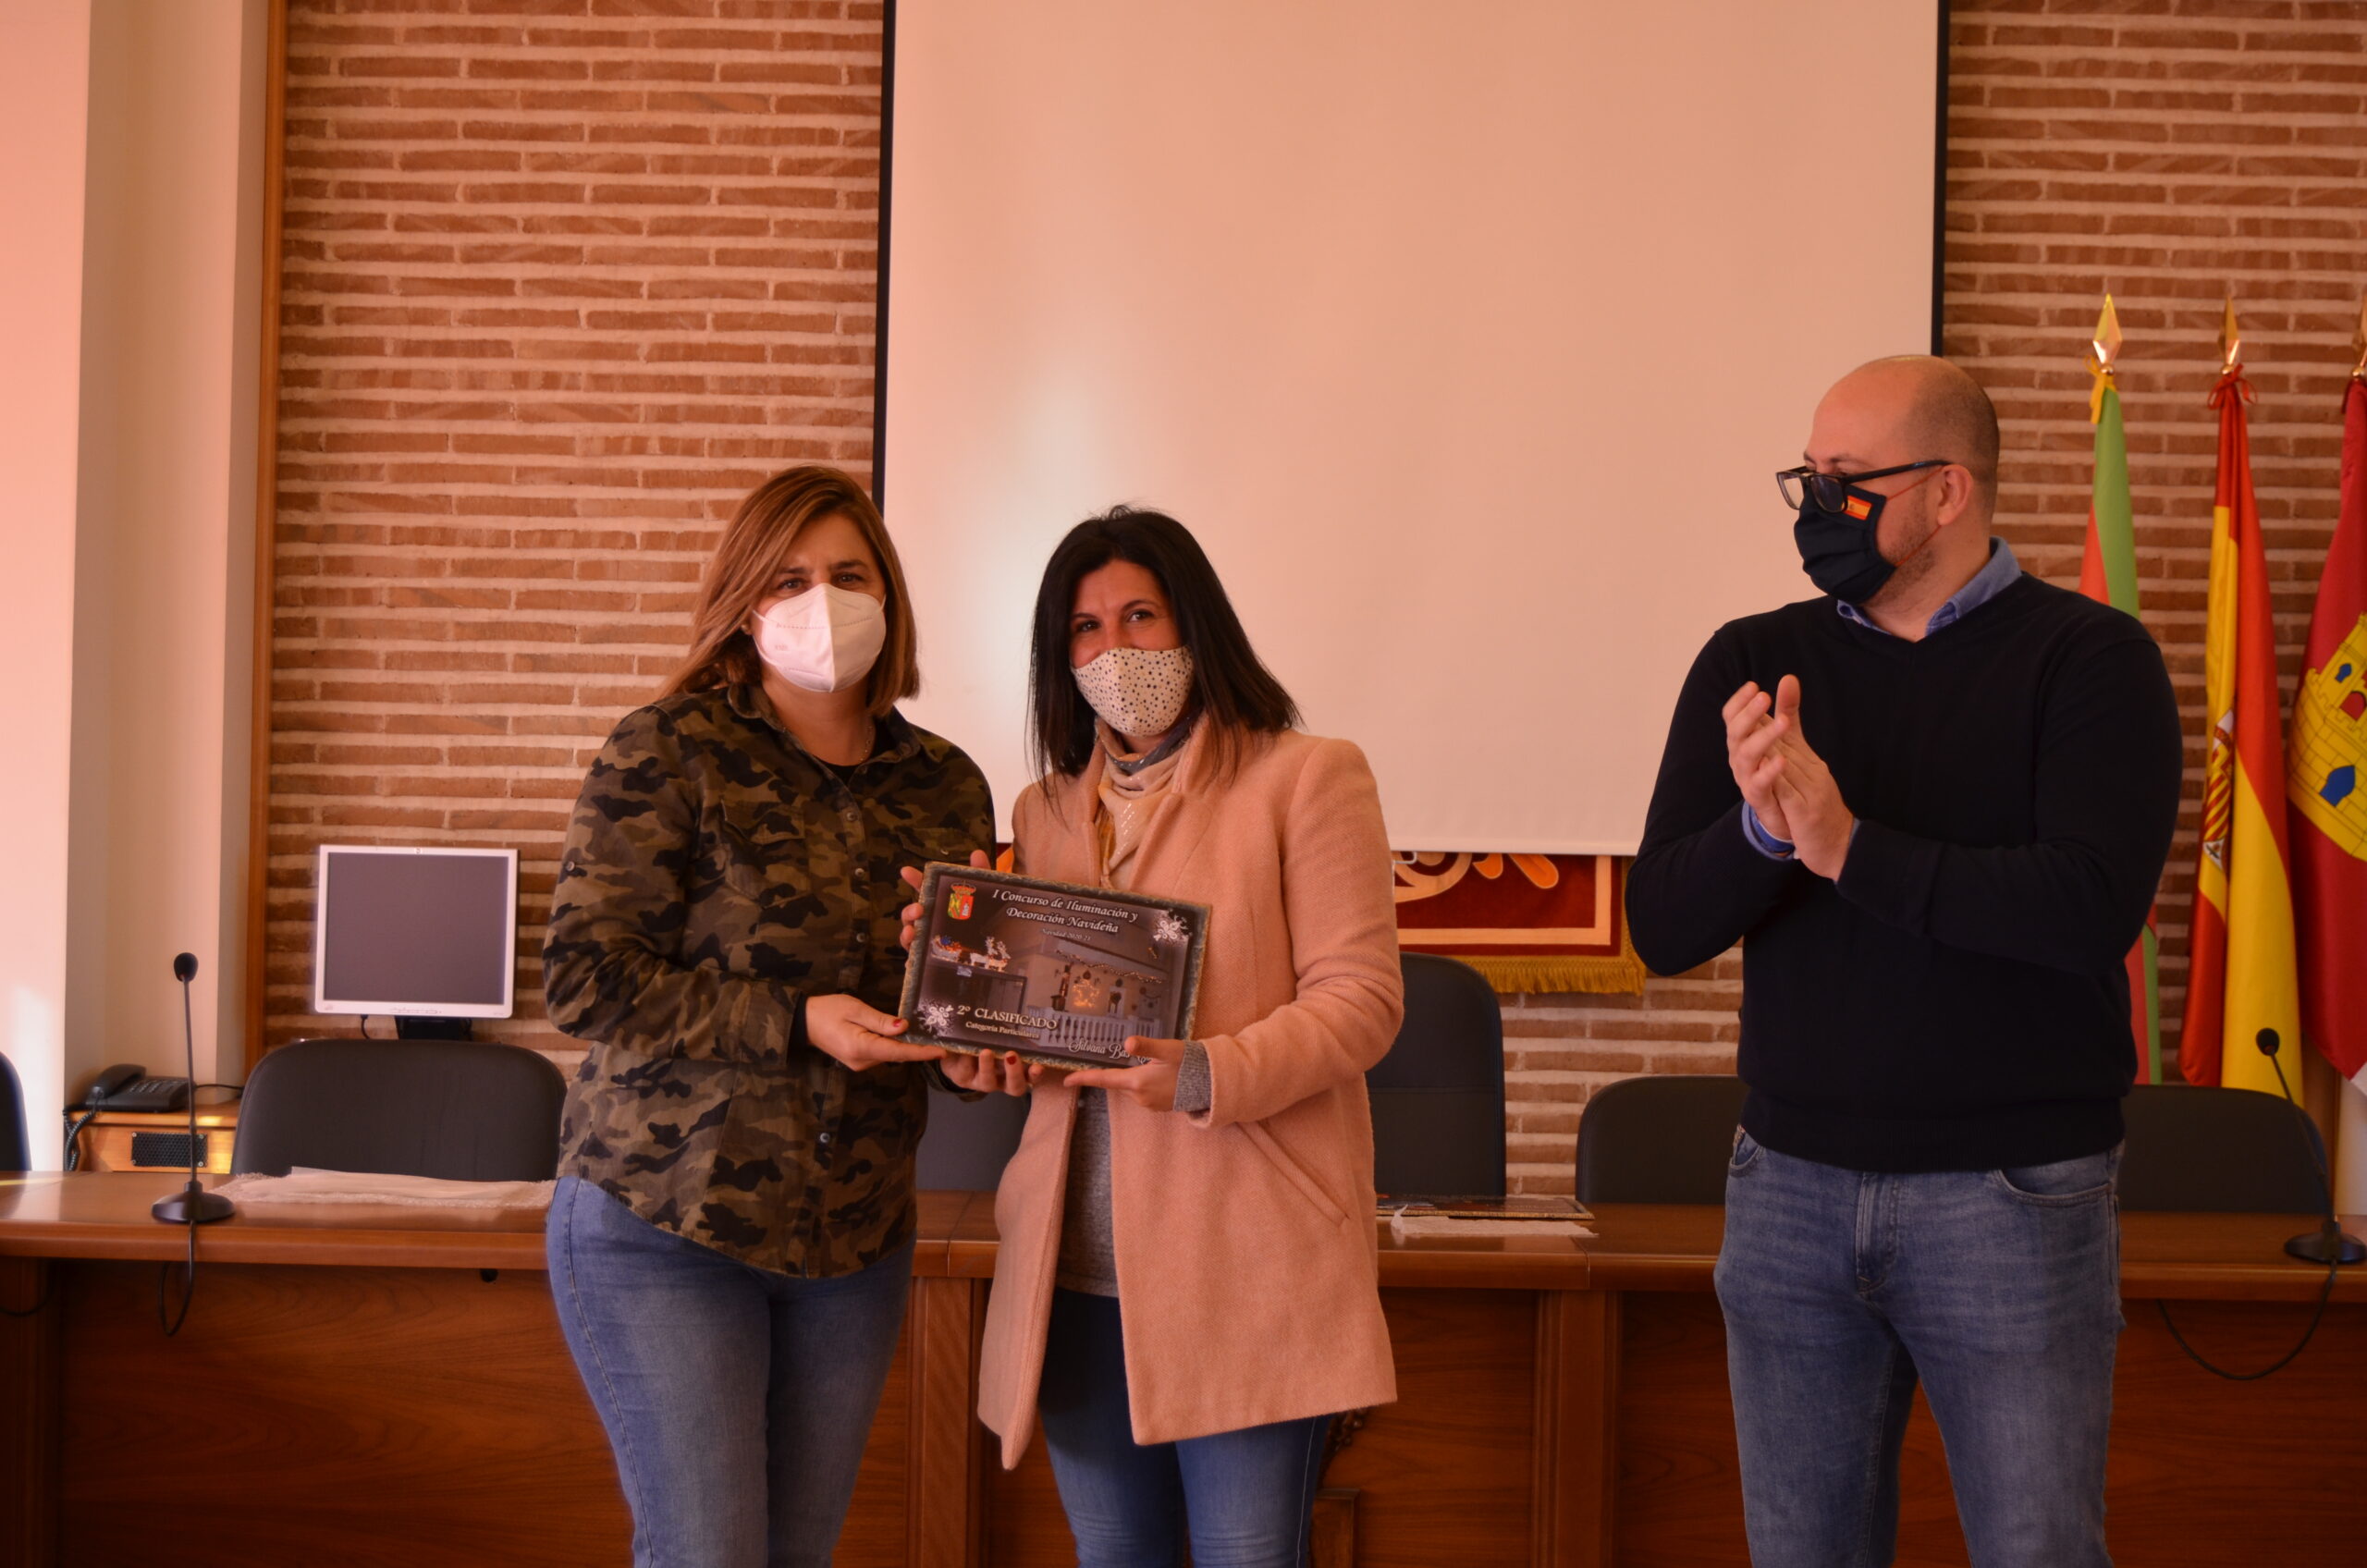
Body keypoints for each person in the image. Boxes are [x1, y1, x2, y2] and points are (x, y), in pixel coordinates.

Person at [1626, 357, 2182, 1568]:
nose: (1817, 509)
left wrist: (1848, 847)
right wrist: (1763, 833)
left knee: (2037, 1548)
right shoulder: (1750, 660)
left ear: (1947, 491)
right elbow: (1660, 925)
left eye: (1847, 482)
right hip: (1788, 1187)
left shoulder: (2092, 660)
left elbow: (2084, 909)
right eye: (1807, 480)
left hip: (2013, 1195)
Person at [919, 506, 1404, 1568]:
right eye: (1086, 628)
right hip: (1074, 1269)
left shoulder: (1306, 775)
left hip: (1244, 1265)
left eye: (1140, 615)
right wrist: (966, 1027)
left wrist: (1206, 1071)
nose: (1116, 649)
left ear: (1194, 623)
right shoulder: (1044, 809)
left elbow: (1362, 999)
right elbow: (1044, 1029)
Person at [541, 465, 992, 1568]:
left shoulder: (945, 785)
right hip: (666, 1222)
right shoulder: (669, 748)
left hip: (854, 1238)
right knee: (709, 1552)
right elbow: (585, 977)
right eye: (788, 578)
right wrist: (797, 1018)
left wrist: (972, 1054)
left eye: (847, 574)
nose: (820, 600)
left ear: (888, 593)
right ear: (744, 603)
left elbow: (946, 997)